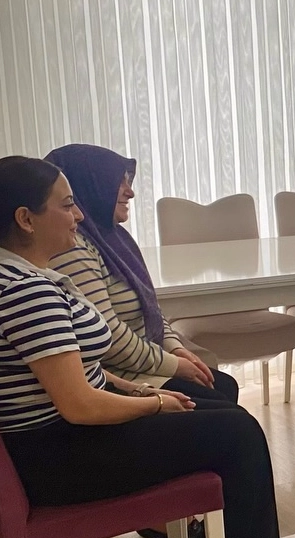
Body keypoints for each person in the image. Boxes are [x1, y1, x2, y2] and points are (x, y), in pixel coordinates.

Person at [0, 156, 284, 538]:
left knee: (223, 412)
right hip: (59, 455)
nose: (78, 215)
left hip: (50, 442)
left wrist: (137, 391)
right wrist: (156, 403)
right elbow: (80, 405)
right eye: (66, 205)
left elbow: (76, 369)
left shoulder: (9, 274)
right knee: (238, 434)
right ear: (26, 219)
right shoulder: (25, 292)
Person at [44, 144, 239, 405]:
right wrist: (173, 365)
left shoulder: (114, 238)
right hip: (121, 379)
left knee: (225, 387)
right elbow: (110, 337)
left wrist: (175, 347)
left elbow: (150, 309)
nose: (131, 192)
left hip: (145, 365)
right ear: (91, 186)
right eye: (119, 183)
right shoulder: (73, 248)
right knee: (229, 412)